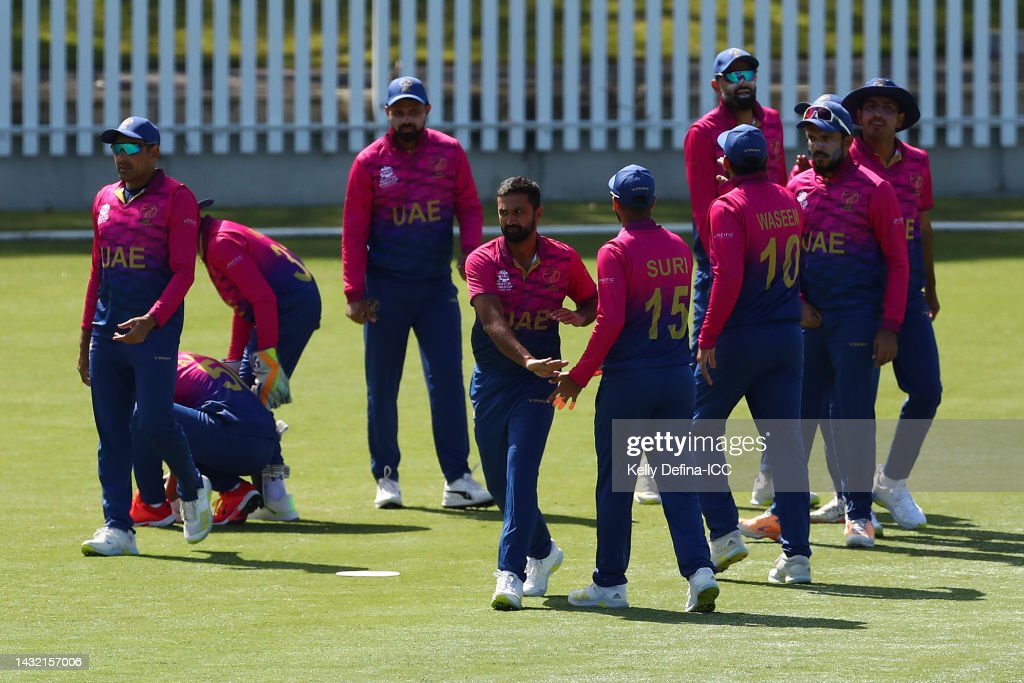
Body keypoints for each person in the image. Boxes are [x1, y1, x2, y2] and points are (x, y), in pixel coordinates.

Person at [550, 165, 720, 612]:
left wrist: (578, 377)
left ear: (615, 204)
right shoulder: (679, 246)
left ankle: (610, 584)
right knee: (678, 483)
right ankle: (700, 571)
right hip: (675, 378)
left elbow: (612, 320)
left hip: (630, 382)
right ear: (653, 202)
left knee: (615, 487)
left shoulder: (615, 251)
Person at [341, 76, 492, 510]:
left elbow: (468, 206)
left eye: (414, 110)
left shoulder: (449, 153)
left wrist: (470, 256)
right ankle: (386, 477)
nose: (407, 117)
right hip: (384, 289)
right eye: (399, 111)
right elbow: (354, 230)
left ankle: (457, 478)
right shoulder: (369, 163)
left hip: (434, 287)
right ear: (388, 114)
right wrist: (354, 291)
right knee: (382, 386)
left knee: (446, 381)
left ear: (426, 111)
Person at [77, 116, 212, 556]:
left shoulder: (177, 198)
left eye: (132, 149)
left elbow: (183, 272)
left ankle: (192, 487)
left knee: (153, 421)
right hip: (107, 334)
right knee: (111, 435)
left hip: (154, 335)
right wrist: (85, 339)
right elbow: (98, 271)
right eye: (116, 148)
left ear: (154, 153)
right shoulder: (102, 199)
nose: (121, 156)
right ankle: (118, 526)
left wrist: (151, 320)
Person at [466, 176, 597, 611]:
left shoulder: (563, 258)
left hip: (542, 382)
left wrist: (578, 318)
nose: (509, 221)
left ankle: (510, 573)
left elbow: (591, 302)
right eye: (503, 213)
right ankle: (543, 551)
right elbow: (492, 324)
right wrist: (526, 359)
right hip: (493, 377)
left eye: (518, 212)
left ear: (537, 214)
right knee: (498, 482)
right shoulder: (482, 260)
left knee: (521, 472)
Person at [691, 126, 812, 583]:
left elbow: (726, 279)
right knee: (786, 448)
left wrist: (706, 337)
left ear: (727, 164)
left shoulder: (727, 206)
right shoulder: (787, 199)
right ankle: (797, 558)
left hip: (739, 340)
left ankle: (724, 534)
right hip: (786, 339)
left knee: (698, 434)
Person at [786, 99, 908, 548]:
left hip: (856, 320)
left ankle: (859, 515)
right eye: (812, 138)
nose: (817, 146)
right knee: (798, 418)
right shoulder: (796, 186)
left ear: (845, 139)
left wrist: (889, 325)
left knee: (853, 417)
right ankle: (786, 508)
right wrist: (796, 301)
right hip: (808, 323)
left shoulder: (876, 189)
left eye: (825, 138)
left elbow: (898, 262)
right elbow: (784, 256)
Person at [681, 47, 790, 510]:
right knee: (704, 366)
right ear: (717, 84)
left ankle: (770, 470)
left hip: (769, 262)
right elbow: (704, 207)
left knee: (774, 376)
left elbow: (781, 185)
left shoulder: (773, 121)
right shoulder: (702, 134)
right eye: (733, 75)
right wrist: (727, 262)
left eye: (749, 73)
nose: (743, 81)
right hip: (721, 261)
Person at [838, 78, 940, 530]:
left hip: (909, 290)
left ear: (901, 119)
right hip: (855, 295)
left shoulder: (917, 162)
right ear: (857, 117)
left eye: (888, 108)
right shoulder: (840, 159)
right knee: (851, 401)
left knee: (926, 390)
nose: (877, 114)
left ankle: (892, 481)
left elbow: (923, 225)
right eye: (870, 107)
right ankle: (849, 495)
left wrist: (931, 285)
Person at [130, 352, 298, 527]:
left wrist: (169, 494)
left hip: (233, 438)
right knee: (161, 421)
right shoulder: (178, 359)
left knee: (144, 413)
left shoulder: (148, 370)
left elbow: (168, 435)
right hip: (265, 447)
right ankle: (235, 491)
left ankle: (151, 505)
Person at [198, 202, 322, 411]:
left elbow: (263, 299)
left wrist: (266, 359)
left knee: (246, 401)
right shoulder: (215, 237)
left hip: (291, 308)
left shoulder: (218, 244)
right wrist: (234, 359)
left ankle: (263, 438)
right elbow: (246, 305)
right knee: (242, 392)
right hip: (291, 306)